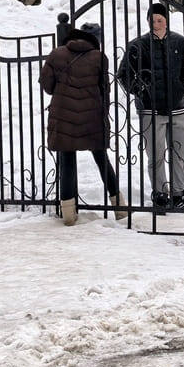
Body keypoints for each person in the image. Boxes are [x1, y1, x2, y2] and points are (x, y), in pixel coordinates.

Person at [40, 21, 125, 225]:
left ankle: (69, 214)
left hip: (64, 115)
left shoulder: (56, 54)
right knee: (102, 160)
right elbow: (105, 91)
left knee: (67, 160)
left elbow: (47, 86)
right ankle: (119, 207)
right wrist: (104, 115)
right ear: (96, 40)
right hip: (91, 115)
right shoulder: (99, 57)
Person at [118, 2, 184, 212]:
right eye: (153, 20)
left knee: (179, 153)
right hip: (151, 110)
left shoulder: (180, 42)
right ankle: (160, 194)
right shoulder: (137, 45)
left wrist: (182, 88)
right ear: (148, 20)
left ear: (166, 20)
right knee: (155, 155)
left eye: (160, 20)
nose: (156, 24)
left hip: (177, 107)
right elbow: (123, 75)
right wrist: (140, 91)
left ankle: (178, 193)